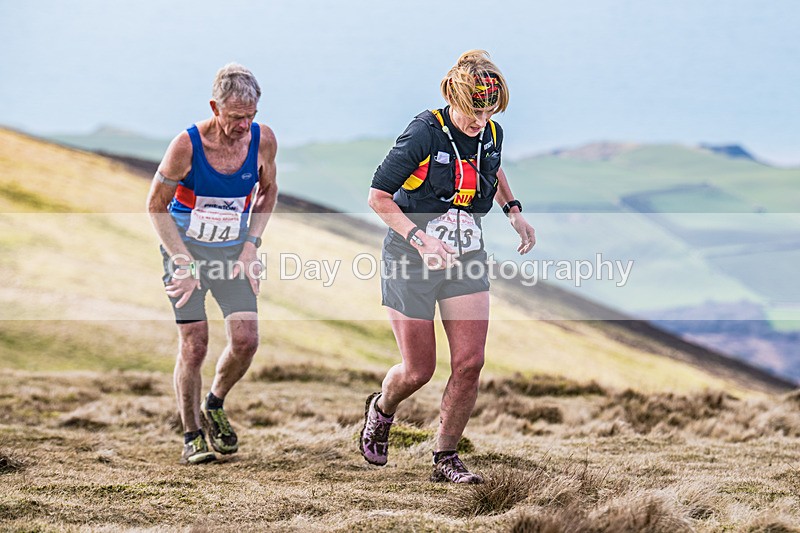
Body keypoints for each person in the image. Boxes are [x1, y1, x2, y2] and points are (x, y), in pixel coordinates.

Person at [360, 50, 536, 483]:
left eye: (489, 112)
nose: (481, 121)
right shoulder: (423, 132)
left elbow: (492, 167)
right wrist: (421, 240)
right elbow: (378, 197)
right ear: (453, 98)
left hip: (466, 257)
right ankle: (382, 408)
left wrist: (513, 211)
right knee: (418, 370)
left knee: (470, 363)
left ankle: (445, 457)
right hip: (411, 258)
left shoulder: (490, 131)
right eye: (474, 112)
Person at [146, 63, 278, 464]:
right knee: (195, 343)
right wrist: (182, 262)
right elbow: (155, 206)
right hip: (185, 251)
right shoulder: (186, 146)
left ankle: (214, 403)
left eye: (250, 116)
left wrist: (252, 245)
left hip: (233, 253)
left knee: (246, 341)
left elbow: (268, 192)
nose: (244, 126)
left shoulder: (263, 140)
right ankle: (191, 435)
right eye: (236, 117)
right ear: (214, 108)